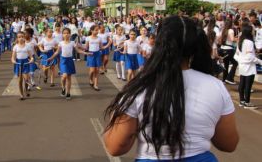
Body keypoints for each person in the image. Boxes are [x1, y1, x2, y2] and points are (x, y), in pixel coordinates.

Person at [103, 16, 239, 161]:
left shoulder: (139, 87)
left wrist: (116, 117)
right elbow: (228, 144)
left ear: (158, 44)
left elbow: (116, 146)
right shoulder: (215, 85)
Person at [48, 28, 91, 100]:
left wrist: (86, 53)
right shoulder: (61, 43)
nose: (66, 34)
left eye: (67, 33)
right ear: (62, 35)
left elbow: (78, 51)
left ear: (70, 34)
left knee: (68, 77)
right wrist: (51, 58)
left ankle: (68, 92)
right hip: (63, 61)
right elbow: (57, 52)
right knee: (64, 76)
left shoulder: (72, 43)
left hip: (70, 60)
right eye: (64, 33)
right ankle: (63, 87)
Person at [234, 24, 262, 109]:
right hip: (249, 67)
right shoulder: (249, 42)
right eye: (252, 30)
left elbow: (236, 55)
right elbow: (250, 57)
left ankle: (242, 101)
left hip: (242, 66)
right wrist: (260, 62)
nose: (253, 32)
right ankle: (247, 102)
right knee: (248, 85)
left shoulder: (240, 41)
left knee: (242, 83)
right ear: (249, 32)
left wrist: (241, 61)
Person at [12, 31, 34, 100]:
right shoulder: (15, 47)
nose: (21, 38)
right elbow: (13, 57)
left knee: (26, 79)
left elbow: (31, 56)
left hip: (25, 63)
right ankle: (21, 94)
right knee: (20, 80)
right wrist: (13, 61)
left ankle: (26, 90)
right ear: (17, 38)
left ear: (24, 37)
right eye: (19, 37)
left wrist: (31, 60)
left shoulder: (27, 46)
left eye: (22, 37)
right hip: (18, 63)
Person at [219, 19, 238, 85]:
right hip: (228, 49)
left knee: (226, 64)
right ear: (230, 24)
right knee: (235, 63)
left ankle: (224, 79)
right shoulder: (231, 30)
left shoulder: (223, 30)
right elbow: (232, 39)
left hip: (222, 48)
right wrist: (238, 38)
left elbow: (219, 39)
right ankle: (229, 78)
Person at [85, 25, 103, 91]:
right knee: (92, 70)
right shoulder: (88, 38)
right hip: (91, 54)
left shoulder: (99, 38)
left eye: (97, 30)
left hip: (97, 54)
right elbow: (86, 48)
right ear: (91, 30)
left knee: (97, 70)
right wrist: (80, 47)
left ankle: (96, 85)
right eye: (95, 30)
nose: (97, 31)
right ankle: (90, 79)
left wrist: (109, 43)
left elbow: (101, 47)